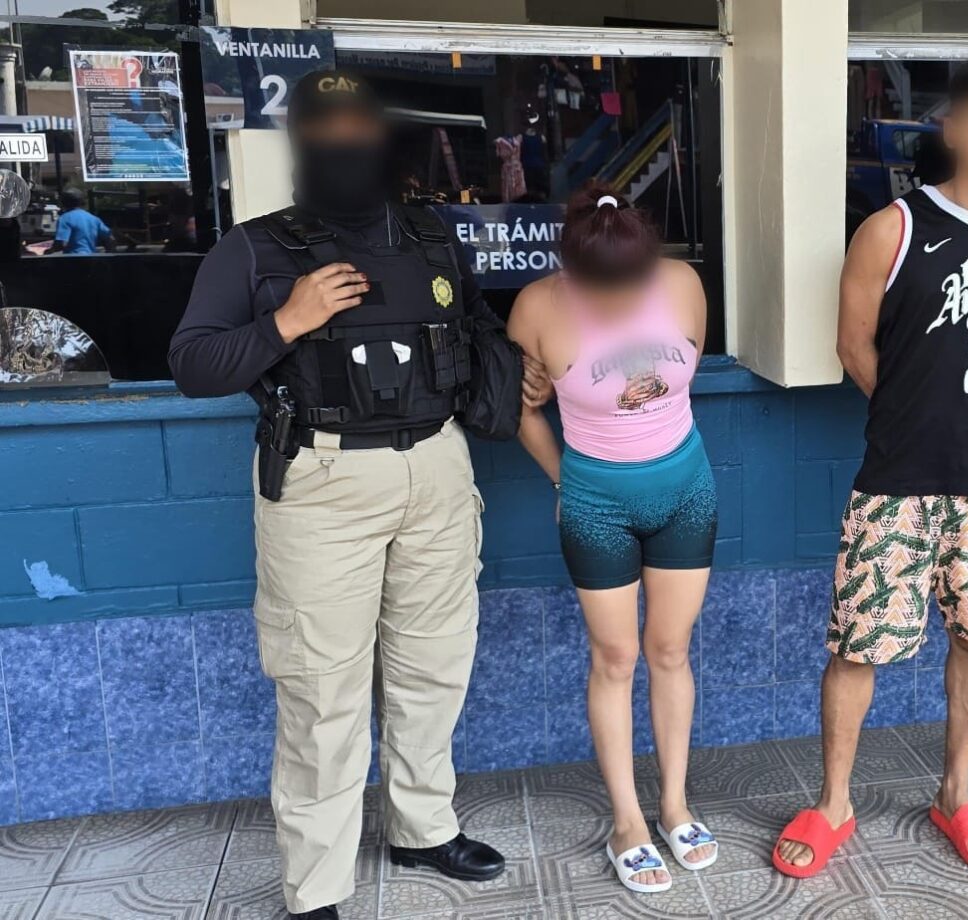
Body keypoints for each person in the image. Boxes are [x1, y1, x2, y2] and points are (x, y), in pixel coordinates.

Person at [168, 70, 524, 920]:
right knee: (322, 692)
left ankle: (422, 828)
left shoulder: (433, 235)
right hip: (323, 481)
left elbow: (476, 328)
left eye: (360, 132)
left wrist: (509, 374)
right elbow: (192, 364)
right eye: (327, 133)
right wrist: (286, 321)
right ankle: (317, 885)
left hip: (437, 469)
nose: (346, 148)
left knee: (433, 668)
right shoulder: (255, 249)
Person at [775, 50, 968, 877]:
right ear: (953, 128)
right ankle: (834, 802)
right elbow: (853, 346)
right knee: (858, 645)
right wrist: (916, 417)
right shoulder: (892, 229)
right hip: (900, 478)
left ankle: (956, 792)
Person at [509, 187, 719, 895]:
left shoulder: (683, 284)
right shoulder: (538, 307)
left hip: (685, 489)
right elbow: (520, 410)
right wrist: (562, 479)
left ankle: (675, 805)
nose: (618, 303)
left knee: (670, 650)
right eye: (601, 292)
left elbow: (682, 381)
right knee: (615, 656)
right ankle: (627, 822)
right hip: (596, 500)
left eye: (629, 287)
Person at [47, 192, 112, 254]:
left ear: (63, 203)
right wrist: (109, 253)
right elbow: (110, 238)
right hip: (91, 258)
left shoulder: (64, 218)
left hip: (72, 259)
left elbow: (62, 243)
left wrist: (50, 251)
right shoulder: (94, 218)